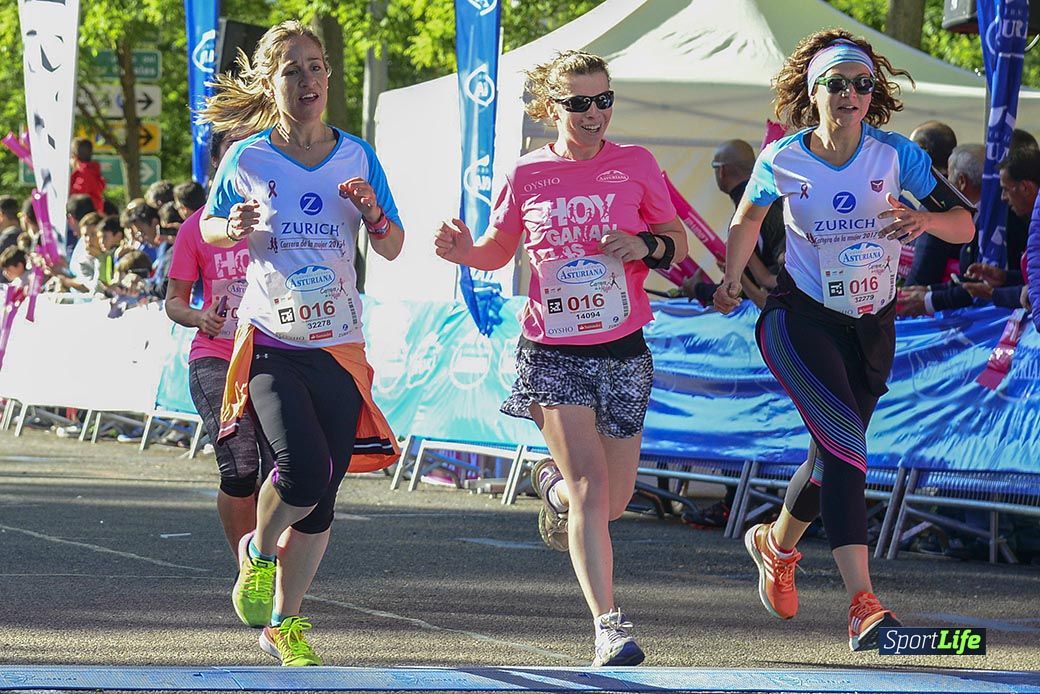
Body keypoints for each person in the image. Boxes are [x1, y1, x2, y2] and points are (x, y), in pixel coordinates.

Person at [713, 30, 973, 651]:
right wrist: (730, 276)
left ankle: (776, 546)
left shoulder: (895, 156)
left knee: (831, 459)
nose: (852, 94)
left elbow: (963, 223)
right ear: (814, 92)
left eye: (862, 84)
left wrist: (923, 219)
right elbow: (746, 218)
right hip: (798, 320)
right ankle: (863, 603)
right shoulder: (783, 159)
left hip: (871, 326)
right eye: (837, 83)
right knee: (847, 445)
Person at [435, 50, 687, 667]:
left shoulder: (637, 164)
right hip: (552, 348)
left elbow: (675, 245)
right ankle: (609, 626)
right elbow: (499, 251)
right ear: (553, 108)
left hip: (622, 343)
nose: (594, 113)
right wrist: (465, 252)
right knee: (592, 489)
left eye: (603, 100)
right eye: (579, 102)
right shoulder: (527, 175)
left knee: (614, 500)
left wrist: (642, 243)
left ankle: (549, 491)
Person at [197, 19, 403, 667]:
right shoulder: (248, 157)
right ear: (270, 82)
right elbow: (207, 227)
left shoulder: (358, 155)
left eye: (315, 66)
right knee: (303, 470)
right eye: (292, 69)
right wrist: (230, 225)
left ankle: (284, 624)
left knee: (324, 493)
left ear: (328, 76)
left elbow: (394, 243)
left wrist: (373, 214)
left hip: (340, 343)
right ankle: (258, 551)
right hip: (272, 341)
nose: (307, 79)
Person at [166, 129, 269, 567]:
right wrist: (198, 316)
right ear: (218, 165)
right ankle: (249, 568)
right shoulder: (196, 229)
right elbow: (174, 300)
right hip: (216, 356)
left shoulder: (277, 217)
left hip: (272, 352)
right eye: (234, 153)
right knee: (241, 466)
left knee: (279, 473)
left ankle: (268, 556)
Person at [69, 137, 106, 213]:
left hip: (83, 215)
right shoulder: (93, 171)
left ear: (74, 156)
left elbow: (76, 197)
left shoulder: (83, 173)